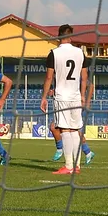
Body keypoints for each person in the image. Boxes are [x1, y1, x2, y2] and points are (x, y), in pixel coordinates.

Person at [40, 24, 90, 175]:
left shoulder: (54, 53)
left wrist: (43, 97)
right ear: (71, 36)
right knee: (75, 130)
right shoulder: (80, 53)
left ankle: (69, 166)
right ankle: (77, 166)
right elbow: (84, 77)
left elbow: (49, 76)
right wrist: (82, 95)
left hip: (62, 96)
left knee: (65, 130)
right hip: (75, 96)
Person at [49, 84, 96, 164]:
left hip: (75, 104)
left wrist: (87, 102)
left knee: (70, 129)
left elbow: (90, 85)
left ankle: (60, 149)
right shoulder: (61, 80)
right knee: (59, 128)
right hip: (66, 104)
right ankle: (88, 152)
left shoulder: (76, 77)